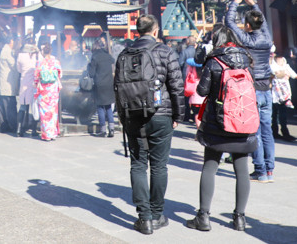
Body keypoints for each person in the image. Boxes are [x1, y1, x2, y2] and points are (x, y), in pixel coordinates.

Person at [117, 14, 185, 235]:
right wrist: (178, 115)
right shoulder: (165, 51)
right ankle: (157, 214)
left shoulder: (124, 53)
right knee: (159, 165)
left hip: (132, 116)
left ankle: (144, 218)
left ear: (138, 31)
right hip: (161, 114)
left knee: (138, 164)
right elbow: (176, 86)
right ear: (155, 31)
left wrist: (122, 118)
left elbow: (117, 88)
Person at [186, 24, 257, 232]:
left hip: (217, 123)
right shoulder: (247, 60)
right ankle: (240, 218)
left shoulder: (214, 60)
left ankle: (204, 216)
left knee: (210, 166)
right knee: (242, 171)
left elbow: (202, 90)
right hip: (243, 121)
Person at [223, 0, 275, 183]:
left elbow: (229, 24)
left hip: (252, 87)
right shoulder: (267, 38)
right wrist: (254, 4)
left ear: (247, 26)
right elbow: (264, 23)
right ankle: (270, 170)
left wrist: (235, 3)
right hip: (267, 87)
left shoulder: (246, 39)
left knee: (255, 131)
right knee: (267, 130)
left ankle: (260, 169)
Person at [87, 38, 116, 137]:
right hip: (109, 83)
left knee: (100, 107)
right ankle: (111, 129)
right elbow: (112, 60)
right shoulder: (107, 55)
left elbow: (91, 74)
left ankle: (103, 130)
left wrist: (89, 66)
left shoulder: (94, 57)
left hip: (99, 85)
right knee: (108, 106)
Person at [34, 43, 63, 141]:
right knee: (53, 112)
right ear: (50, 51)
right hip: (53, 90)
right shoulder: (56, 61)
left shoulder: (39, 62)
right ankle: (53, 133)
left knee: (44, 113)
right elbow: (60, 74)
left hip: (44, 90)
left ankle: (46, 134)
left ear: (43, 52)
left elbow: (36, 76)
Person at [270, 50, 297, 141]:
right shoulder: (272, 65)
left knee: (282, 114)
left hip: (284, 93)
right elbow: (275, 74)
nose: (280, 60)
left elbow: (291, 72)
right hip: (274, 93)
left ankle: (284, 132)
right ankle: (275, 132)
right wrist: (283, 73)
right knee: (274, 114)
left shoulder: (286, 66)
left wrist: (294, 75)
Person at [16, 40, 40, 137]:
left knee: (22, 107)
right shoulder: (36, 56)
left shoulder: (20, 57)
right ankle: (34, 130)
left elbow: (19, 69)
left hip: (24, 83)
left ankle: (19, 129)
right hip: (33, 84)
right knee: (34, 107)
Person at [0, 35, 19, 134]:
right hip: (7, 84)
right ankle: (12, 126)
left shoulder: (4, 50)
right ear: (11, 40)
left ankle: (4, 125)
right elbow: (15, 66)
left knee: (4, 106)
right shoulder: (7, 52)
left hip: (4, 83)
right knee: (10, 106)